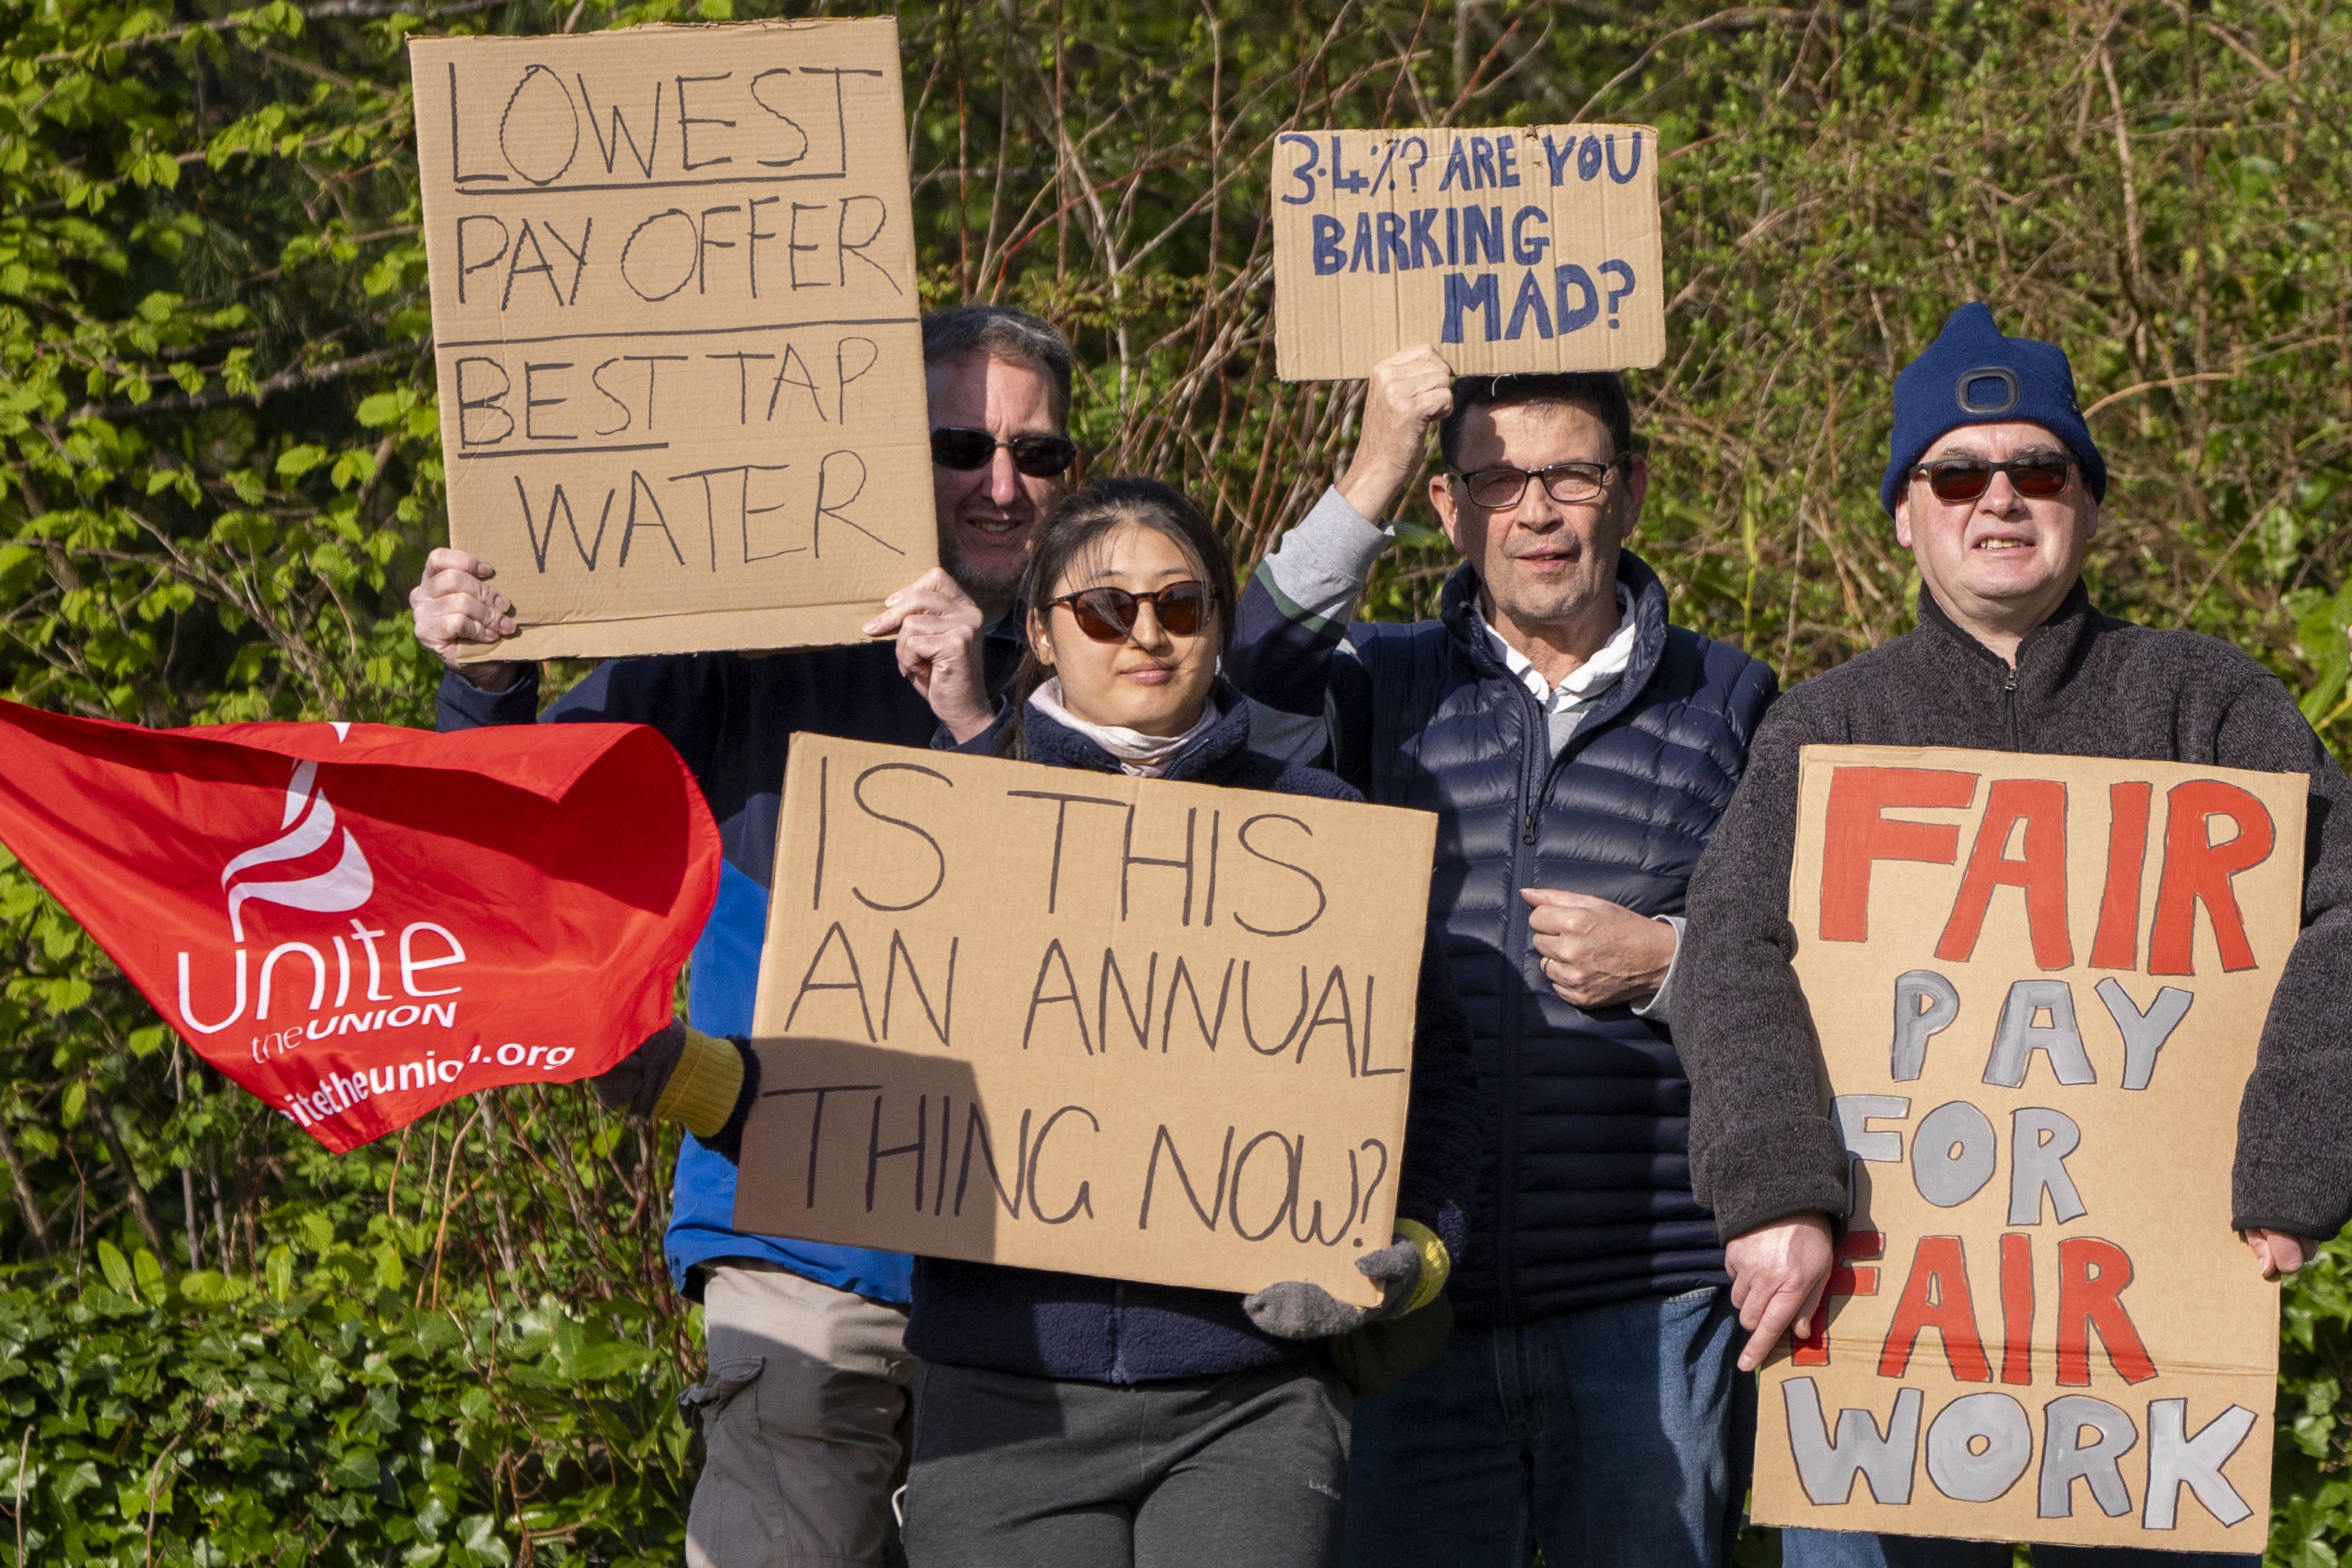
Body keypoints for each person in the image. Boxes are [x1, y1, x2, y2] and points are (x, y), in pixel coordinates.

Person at [1677, 300, 2352, 1567]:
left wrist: (2292, 1165)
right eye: (1955, 473)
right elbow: (1728, 954)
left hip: (2155, 1343)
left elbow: (2345, 913)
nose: (1998, 499)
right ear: (1903, 513)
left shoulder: (2209, 703)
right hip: (1886, 1328)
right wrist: (1773, 1190)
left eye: (2037, 468)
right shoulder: (1829, 727)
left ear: (2087, 505)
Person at [410, 303, 1076, 1568]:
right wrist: (486, 676)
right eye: (959, 446)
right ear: (886, 456)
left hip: (1042, 1282)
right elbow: (514, 815)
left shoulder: (1120, 643)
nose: (1001, 485)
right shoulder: (745, 652)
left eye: (1036, 455)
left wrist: (977, 713)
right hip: (796, 1247)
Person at [1228, 347, 1778, 1567]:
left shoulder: (1732, 699)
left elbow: (1792, 963)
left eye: (1569, 477)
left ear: (1629, 492)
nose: (1534, 511)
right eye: (1494, 479)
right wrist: (1377, 455)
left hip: (1649, 1295)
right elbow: (1248, 663)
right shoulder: (1374, 681)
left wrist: (1668, 962)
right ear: (1447, 505)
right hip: (1410, 1289)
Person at [887, 475, 1482, 1568]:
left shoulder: (1321, 830)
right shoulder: (945, 821)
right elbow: (850, 1078)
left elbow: (1433, 1075)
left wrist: (1419, 1247)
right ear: (1039, 631)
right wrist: (684, 1075)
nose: (1146, 636)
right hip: (1001, 1396)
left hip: (1248, 1399)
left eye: (1181, 604)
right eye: (1106, 610)